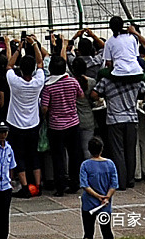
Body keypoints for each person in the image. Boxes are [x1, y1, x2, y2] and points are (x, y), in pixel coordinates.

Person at [40, 44, 83, 197]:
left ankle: (60, 186)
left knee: (58, 157)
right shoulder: (73, 82)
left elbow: (44, 107)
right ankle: (74, 183)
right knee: (74, 154)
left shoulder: (48, 87)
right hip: (73, 123)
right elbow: (80, 95)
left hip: (56, 126)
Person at [95, 66, 145, 190]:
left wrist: (104, 100)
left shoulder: (106, 81)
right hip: (131, 119)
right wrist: (137, 100)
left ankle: (121, 181)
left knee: (118, 151)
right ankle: (130, 180)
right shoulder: (136, 81)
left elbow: (94, 94)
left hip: (114, 119)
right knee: (130, 150)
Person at [5, 35, 45, 196]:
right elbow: (41, 62)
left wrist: (18, 48)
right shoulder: (38, 82)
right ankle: (37, 185)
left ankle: (25, 186)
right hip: (33, 123)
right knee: (34, 154)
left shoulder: (15, 82)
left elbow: (9, 65)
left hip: (16, 124)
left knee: (18, 155)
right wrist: (34, 44)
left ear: (20, 69)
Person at [79, 136, 117, 239]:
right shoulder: (110, 164)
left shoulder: (85, 165)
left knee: (88, 232)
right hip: (104, 205)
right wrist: (107, 197)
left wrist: (97, 196)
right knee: (106, 232)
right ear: (102, 149)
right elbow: (114, 184)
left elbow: (84, 185)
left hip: (89, 204)